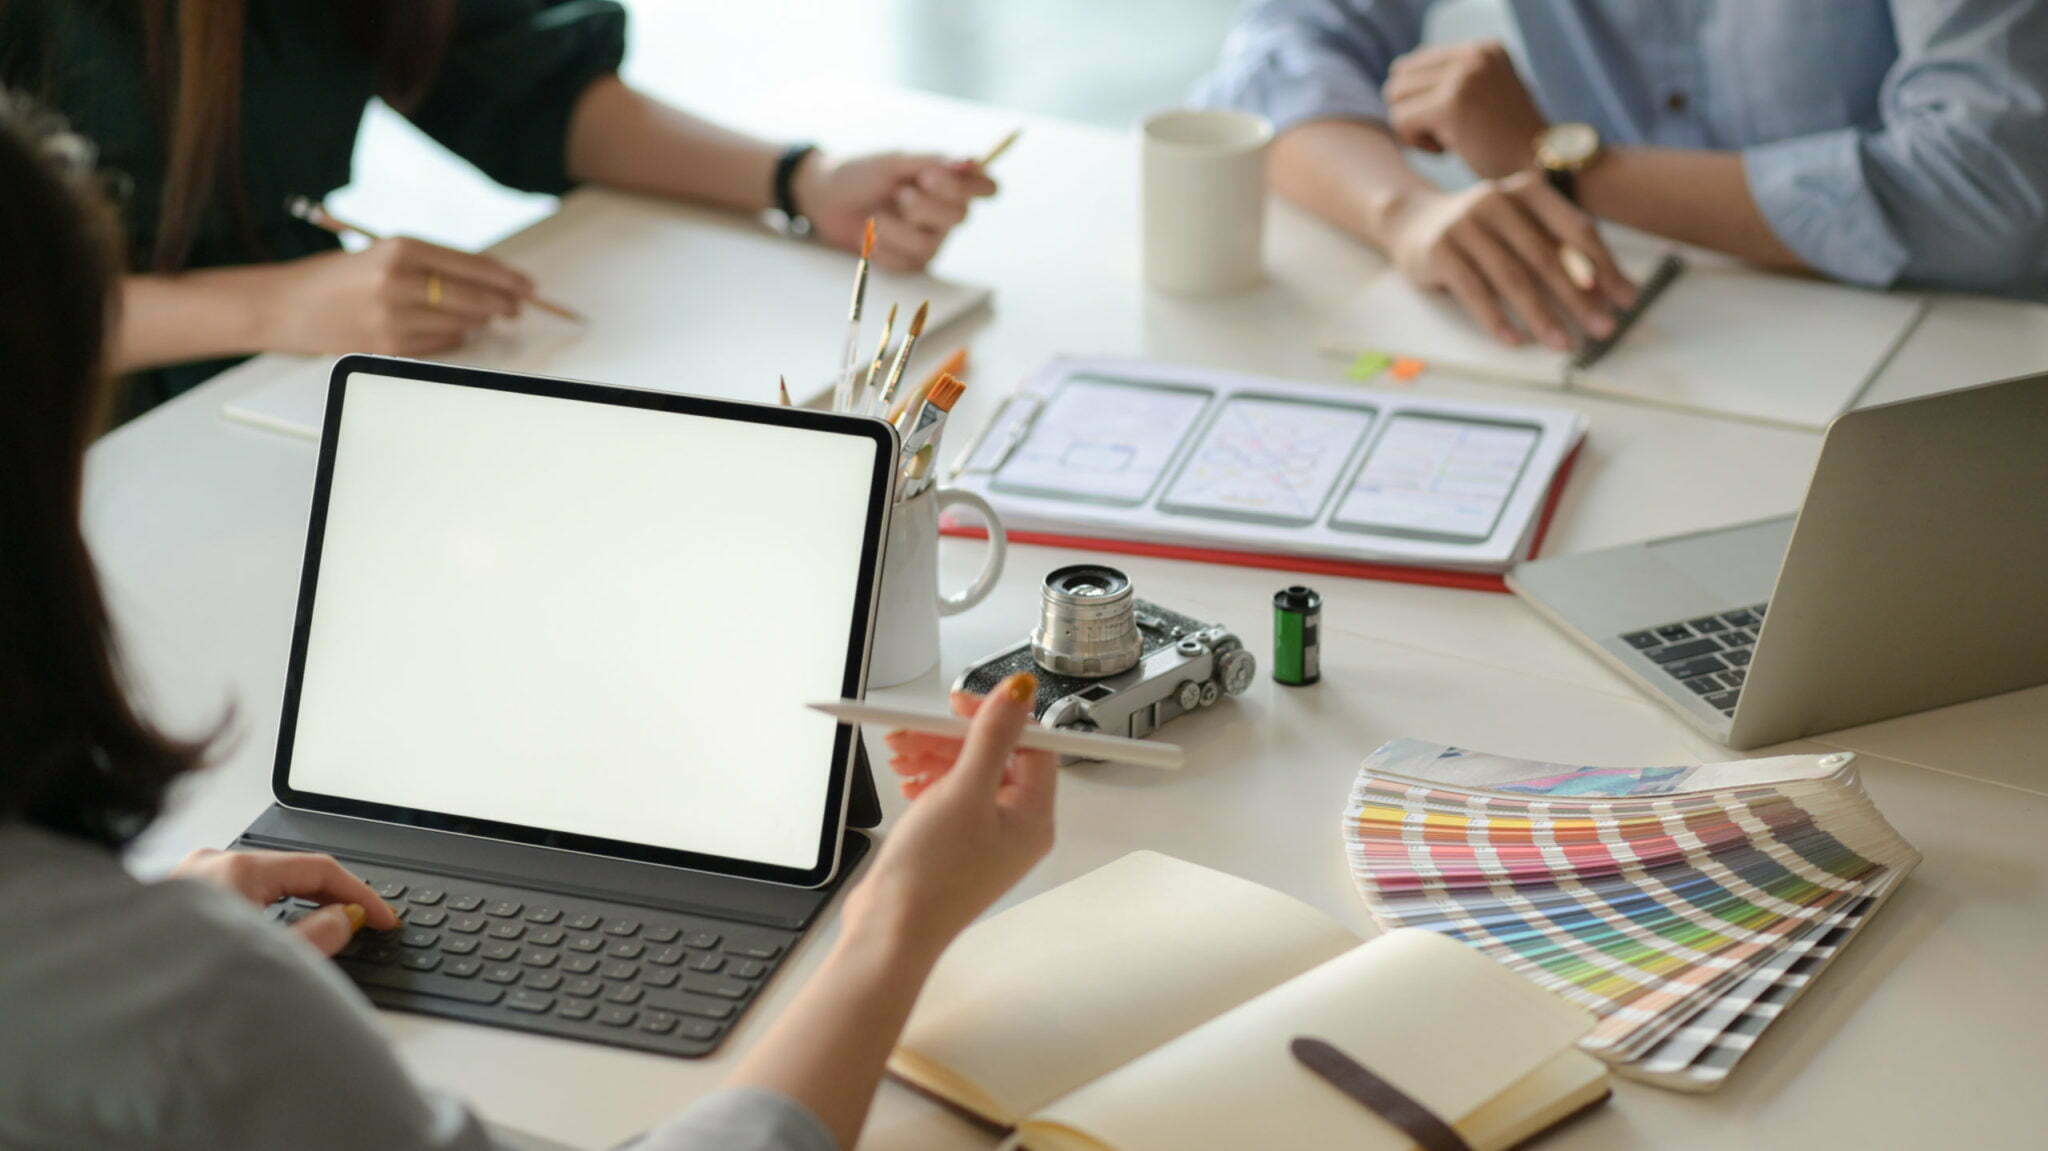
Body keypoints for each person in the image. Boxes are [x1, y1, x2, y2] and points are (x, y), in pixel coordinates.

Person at [0, 97, 1051, 1151]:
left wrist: (141, 947)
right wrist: (894, 924)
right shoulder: (185, 1020)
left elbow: (517, 64)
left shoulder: (149, 989)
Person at [0, 0, 996, 419]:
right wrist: (276, 304)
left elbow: (522, 84)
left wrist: (796, 180)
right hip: (70, 426)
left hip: (283, 389)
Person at [1197, 0, 2048, 349]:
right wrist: (1408, 214)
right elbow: (1281, 55)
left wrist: (1559, 162)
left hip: (1949, 350)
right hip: (1642, 334)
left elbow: (1991, 191)